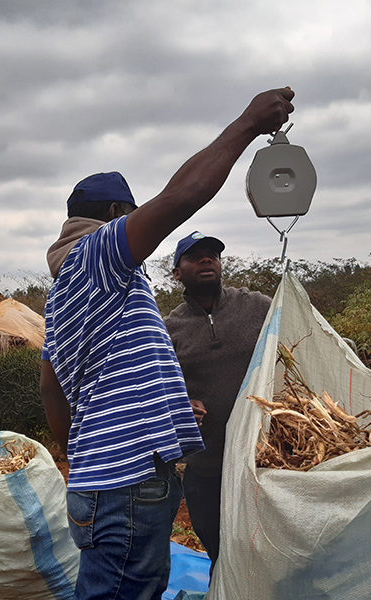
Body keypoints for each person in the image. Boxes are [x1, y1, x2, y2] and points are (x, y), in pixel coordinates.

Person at [40, 87, 295, 600]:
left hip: (110, 478)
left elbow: (50, 385)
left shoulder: (70, 289)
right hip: (126, 484)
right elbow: (181, 197)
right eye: (135, 215)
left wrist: (82, 450)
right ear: (116, 212)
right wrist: (248, 123)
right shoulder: (96, 255)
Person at [163, 232, 272, 574]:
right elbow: (161, 390)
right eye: (195, 256)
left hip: (264, 460)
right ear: (177, 272)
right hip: (207, 465)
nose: (207, 259)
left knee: (268, 550)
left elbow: (300, 330)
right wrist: (182, 405)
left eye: (212, 254)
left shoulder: (255, 305)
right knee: (221, 555)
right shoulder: (169, 329)